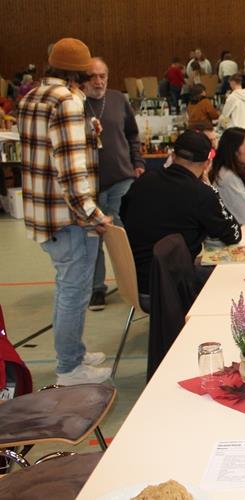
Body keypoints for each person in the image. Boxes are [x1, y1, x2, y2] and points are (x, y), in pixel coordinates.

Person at [17, 38, 113, 385]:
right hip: (70, 218)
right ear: (79, 72)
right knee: (74, 291)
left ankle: (73, 350)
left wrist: (89, 133)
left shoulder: (31, 98)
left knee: (66, 287)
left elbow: (44, 153)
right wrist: (93, 215)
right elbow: (70, 171)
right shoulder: (68, 101)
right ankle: (70, 367)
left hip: (43, 215)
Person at [121, 130, 241, 295]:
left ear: (172, 155)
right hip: (171, 286)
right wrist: (210, 189)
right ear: (207, 163)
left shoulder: (143, 181)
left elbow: (123, 214)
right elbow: (233, 235)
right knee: (234, 275)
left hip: (135, 280)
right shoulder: (201, 193)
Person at [83, 57, 145, 310]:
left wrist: (138, 161)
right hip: (89, 183)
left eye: (103, 76)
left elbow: (132, 133)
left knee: (124, 234)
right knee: (91, 238)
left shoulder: (118, 99)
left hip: (122, 177)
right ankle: (97, 288)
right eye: (93, 76)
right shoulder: (75, 103)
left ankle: (134, 283)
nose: (98, 81)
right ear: (82, 79)